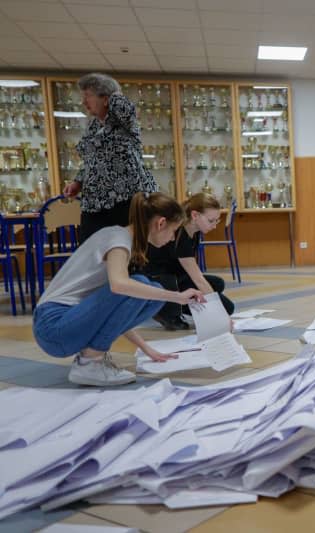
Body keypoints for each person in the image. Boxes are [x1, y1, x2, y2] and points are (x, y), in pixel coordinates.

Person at [33, 192, 206, 387]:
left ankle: (91, 359)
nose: (173, 237)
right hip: (53, 328)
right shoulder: (119, 240)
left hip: (60, 327)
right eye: (174, 230)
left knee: (149, 289)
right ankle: (90, 362)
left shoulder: (119, 236)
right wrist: (177, 297)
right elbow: (119, 286)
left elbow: (117, 310)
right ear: (161, 223)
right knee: (141, 284)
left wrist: (147, 349)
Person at [63, 73, 157, 243]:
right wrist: (78, 181)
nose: (84, 102)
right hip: (94, 202)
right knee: (91, 250)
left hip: (124, 199)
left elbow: (126, 107)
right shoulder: (93, 125)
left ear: (106, 99)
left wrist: (113, 95)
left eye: (88, 96)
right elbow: (91, 160)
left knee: (126, 248)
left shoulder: (124, 121)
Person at [141, 193, 235, 330]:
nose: (214, 225)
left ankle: (179, 305)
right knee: (224, 307)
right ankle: (164, 311)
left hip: (176, 276)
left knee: (217, 284)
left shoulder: (195, 231)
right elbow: (198, 279)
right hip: (159, 278)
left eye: (217, 221)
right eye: (211, 220)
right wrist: (219, 314)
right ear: (195, 215)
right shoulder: (181, 234)